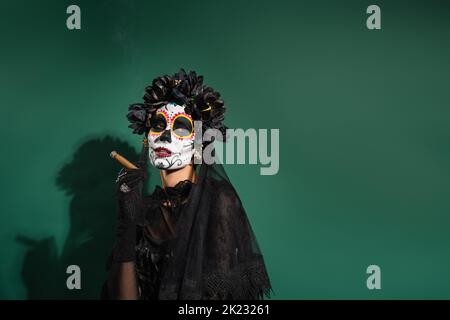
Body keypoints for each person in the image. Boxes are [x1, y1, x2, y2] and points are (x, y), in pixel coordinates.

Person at [102, 69, 272, 300]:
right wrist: (126, 222)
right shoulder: (144, 209)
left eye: (181, 127)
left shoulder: (218, 201)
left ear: (199, 143)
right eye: (158, 125)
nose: (164, 136)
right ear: (147, 138)